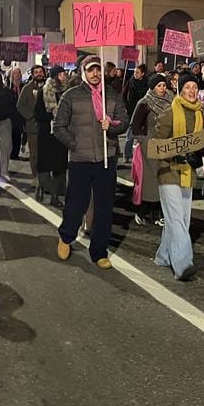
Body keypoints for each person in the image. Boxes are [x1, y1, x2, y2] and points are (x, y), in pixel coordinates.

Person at [54, 56, 130, 269]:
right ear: (83, 72)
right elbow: (58, 127)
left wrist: (112, 126)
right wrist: (74, 144)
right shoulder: (71, 96)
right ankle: (66, 236)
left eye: (98, 69)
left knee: (105, 208)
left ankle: (99, 251)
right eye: (90, 70)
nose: (95, 74)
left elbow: (124, 121)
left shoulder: (112, 95)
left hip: (107, 159)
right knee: (76, 204)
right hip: (80, 160)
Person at [153, 73, 204, 281]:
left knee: (180, 219)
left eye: (195, 87)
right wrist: (175, 152)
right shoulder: (169, 112)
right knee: (176, 218)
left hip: (187, 172)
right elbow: (157, 145)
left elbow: (198, 142)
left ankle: (163, 256)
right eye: (188, 87)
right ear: (180, 90)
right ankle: (183, 264)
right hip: (168, 171)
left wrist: (202, 153)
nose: (192, 91)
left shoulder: (200, 113)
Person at [130, 73, 171, 226]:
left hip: (166, 144)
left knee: (164, 179)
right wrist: (144, 140)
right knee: (150, 181)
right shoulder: (145, 103)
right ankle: (142, 212)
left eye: (164, 85)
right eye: (159, 86)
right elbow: (135, 125)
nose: (162, 88)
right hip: (149, 145)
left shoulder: (170, 101)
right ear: (153, 88)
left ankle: (159, 213)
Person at [35, 66, 69, 207]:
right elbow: (38, 114)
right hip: (46, 132)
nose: (64, 76)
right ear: (55, 76)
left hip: (60, 132)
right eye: (61, 74)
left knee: (59, 165)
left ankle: (55, 195)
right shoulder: (44, 91)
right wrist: (52, 115)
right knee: (45, 164)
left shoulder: (66, 92)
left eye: (64, 74)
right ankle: (42, 186)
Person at [16, 65, 47, 186]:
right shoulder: (27, 89)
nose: (39, 74)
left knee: (45, 153)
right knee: (34, 154)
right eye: (36, 72)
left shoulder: (49, 87)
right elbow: (19, 106)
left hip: (46, 126)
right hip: (33, 127)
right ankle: (35, 176)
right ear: (33, 74)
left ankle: (45, 177)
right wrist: (31, 115)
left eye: (40, 72)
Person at [122, 64, 148, 162]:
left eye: (137, 72)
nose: (135, 74)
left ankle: (140, 155)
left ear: (142, 74)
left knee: (142, 135)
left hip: (143, 110)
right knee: (130, 134)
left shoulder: (147, 83)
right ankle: (127, 154)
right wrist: (126, 106)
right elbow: (124, 95)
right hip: (132, 110)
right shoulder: (130, 82)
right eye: (134, 72)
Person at [7, 66, 24, 160]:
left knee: (18, 134)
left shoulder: (23, 86)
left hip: (19, 114)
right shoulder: (8, 86)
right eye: (15, 73)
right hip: (11, 114)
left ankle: (15, 153)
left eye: (19, 73)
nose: (17, 75)